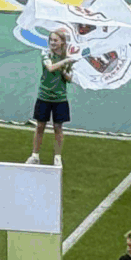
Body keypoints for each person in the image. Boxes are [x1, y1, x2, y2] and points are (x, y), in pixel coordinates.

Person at [31, 30, 75, 167]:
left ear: (62, 42)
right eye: (51, 40)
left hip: (60, 98)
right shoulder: (46, 53)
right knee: (40, 126)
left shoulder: (66, 58)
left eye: (56, 40)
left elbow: (69, 78)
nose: (52, 43)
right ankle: (35, 156)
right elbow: (50, 68)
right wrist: (66, 61)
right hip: (44, 96)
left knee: (58, 127)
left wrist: (65, 67)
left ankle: (57, 157)